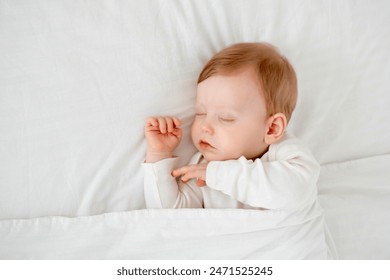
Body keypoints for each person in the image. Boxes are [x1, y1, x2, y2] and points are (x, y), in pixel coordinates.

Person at [142, 42, 320, 210]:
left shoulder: (286, 154)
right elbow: (169, 216)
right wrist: (159, 154)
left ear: (272, 128)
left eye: (225, 118)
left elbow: (295, 190)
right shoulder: (203, 165)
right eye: (201, 113)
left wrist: (218, 176)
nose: (205, 126)